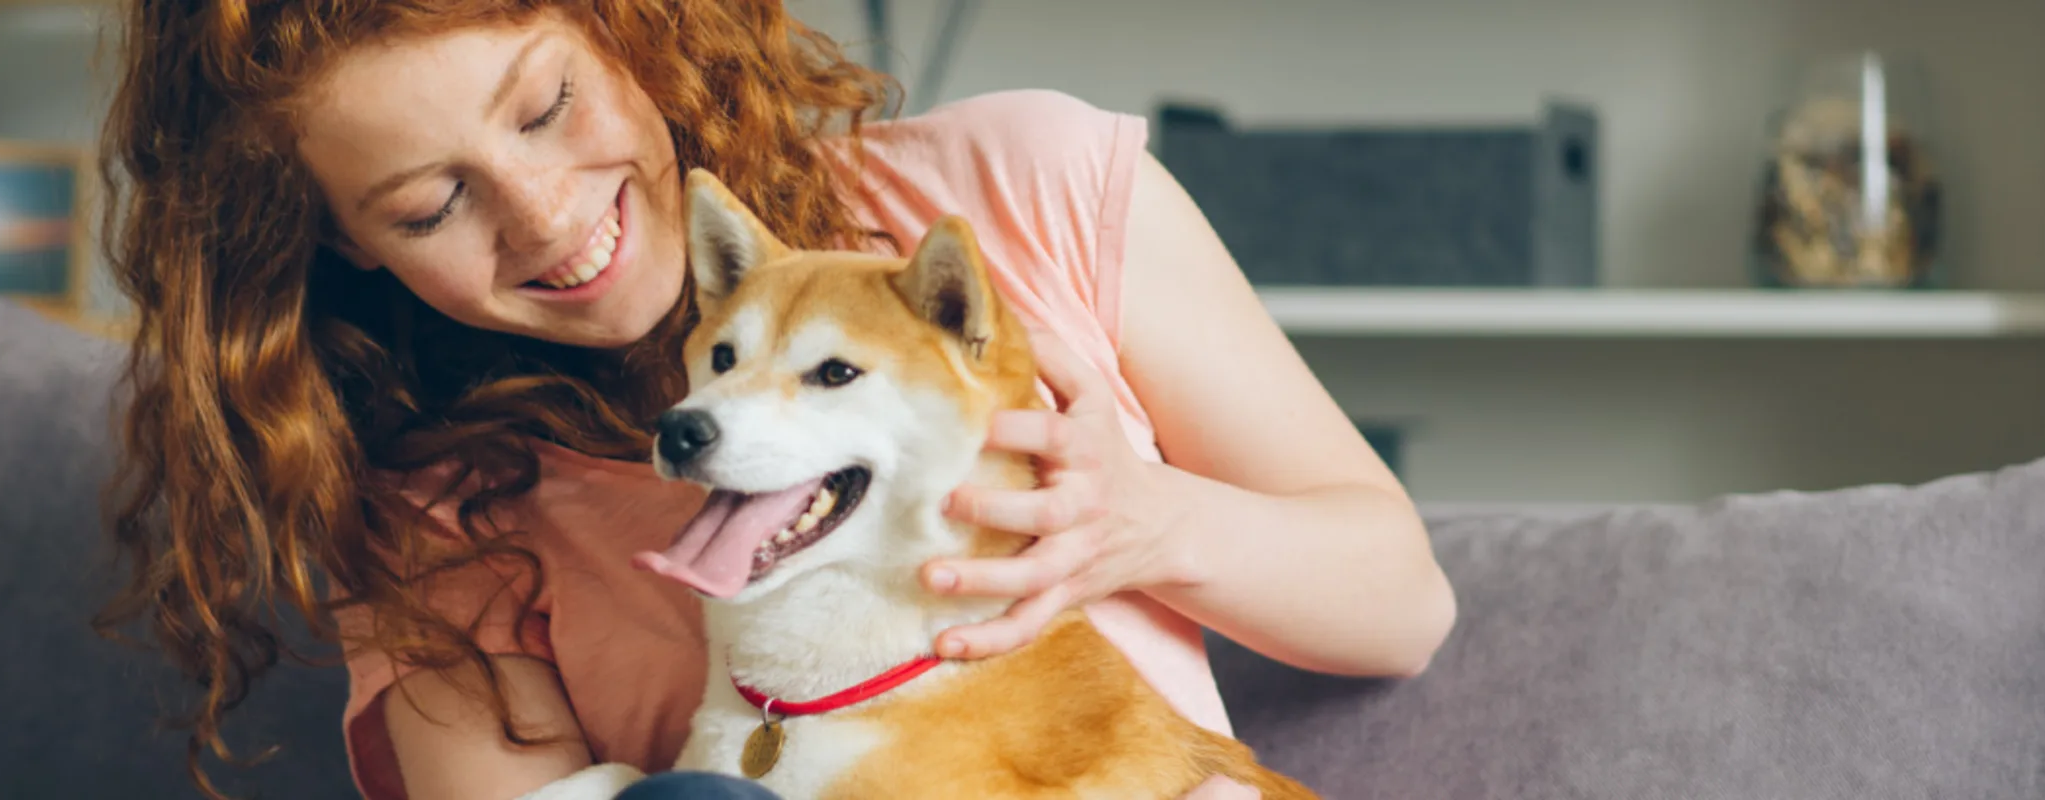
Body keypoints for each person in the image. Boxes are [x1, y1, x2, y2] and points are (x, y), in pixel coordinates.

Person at [91, 2, 1458, 799]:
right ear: (345, 249)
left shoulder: (1013, 193)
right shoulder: (443, 510)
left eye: (549, 103)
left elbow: (1403, 605)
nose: (549, 214)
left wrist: (1152, 526)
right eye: (433, 203)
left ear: (624, 26)